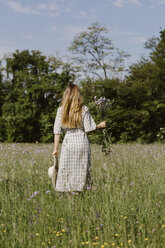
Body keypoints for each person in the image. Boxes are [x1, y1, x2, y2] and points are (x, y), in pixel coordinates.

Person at [52, 84, 106, 192]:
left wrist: (56, 148)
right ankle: (81, 192)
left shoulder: (61, 110)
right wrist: (100, 125)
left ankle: (67, 192)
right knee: (81, 169)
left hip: (68, 142)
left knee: (66, 168)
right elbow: (89, 128)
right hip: (81, 141)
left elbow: (57, 131)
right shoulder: (83, 109)